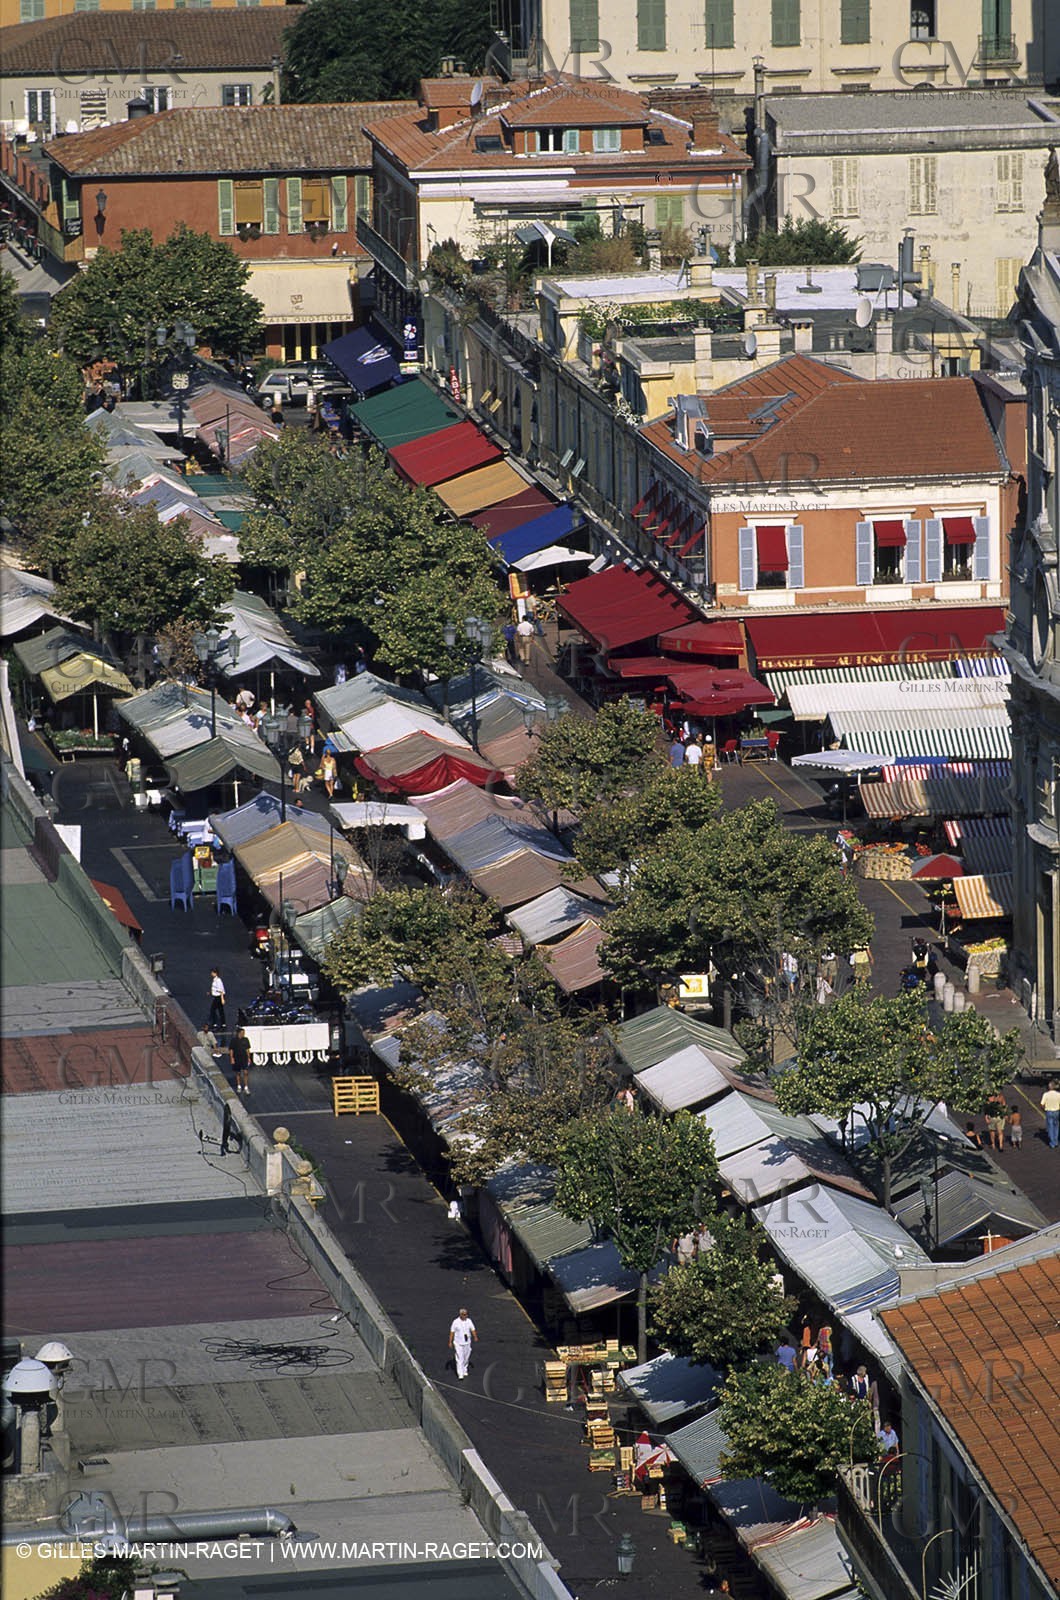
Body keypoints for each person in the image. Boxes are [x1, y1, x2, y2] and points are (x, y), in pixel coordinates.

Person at [448, 1307, 477, 1379]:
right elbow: (452, 1332)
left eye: (466, 1314)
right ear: (460, 1314)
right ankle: (460, 1374)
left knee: (466, 1357)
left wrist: (475, 1336)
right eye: (464, 1314)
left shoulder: (469, 1321)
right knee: (460, 1358)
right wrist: (450, 1342)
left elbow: (472, 1329)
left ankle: (464, 1369)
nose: (465, 1316)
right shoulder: (455, 1322)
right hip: (458, 1343)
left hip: (467, 1342)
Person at [230, 1026, 251, 1095]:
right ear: (239, 1033)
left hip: (244, 1058)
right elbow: (231, 1050)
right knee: (238, 1073)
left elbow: (247, 1049)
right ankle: (239, 1086)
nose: (243, 1034)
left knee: (245, 1072)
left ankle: (246, 1086)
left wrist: (249, 1057)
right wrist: (232, 1058)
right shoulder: (234, 1040)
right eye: (242, 1033)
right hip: (237, 1058)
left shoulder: (246, 1039)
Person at [1041, 1080, 1060, 1149]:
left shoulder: (1046, 1094)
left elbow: (1042, 1104)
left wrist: (1044, 1109)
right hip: (1057, 1111)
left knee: (1050, 1127)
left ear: (1049, 1087)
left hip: (1049, 1111)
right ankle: (1056, 1141)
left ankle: (1052, 1143)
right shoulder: (1058, 1094)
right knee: (1056, 1127)